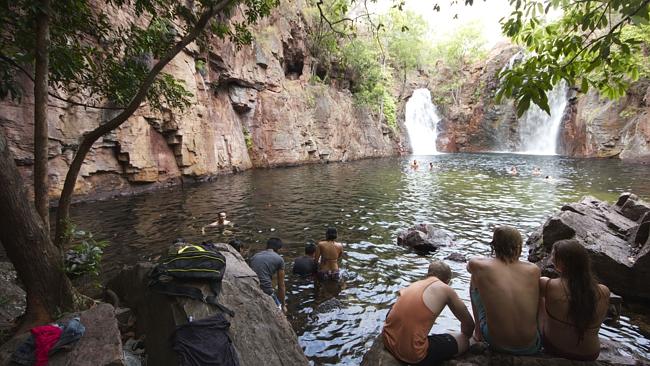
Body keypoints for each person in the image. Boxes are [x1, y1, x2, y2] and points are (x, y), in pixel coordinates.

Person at [467, 225, 542, 355]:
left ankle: (478, 333)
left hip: (497, 344)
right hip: (531, 345)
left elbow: (469, 267)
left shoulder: (479, 265)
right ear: (519, 246)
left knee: (475, 278)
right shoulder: (533, 270)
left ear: (494, 245)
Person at [383, 260, 475, 365]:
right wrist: (466, 338)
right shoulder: (446, 289)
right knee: (462, 340)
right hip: (412, 354)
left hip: (388, 340)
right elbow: (469, 325)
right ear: (448, 280)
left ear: (428, 274)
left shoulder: (412, 286)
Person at [538, 239, 610, 361]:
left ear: (561, 263)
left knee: (541, 300)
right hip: (590, 353)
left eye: (553, 256)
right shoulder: (603, 291)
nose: (551, 259)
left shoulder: (547, 284)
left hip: (555, 348)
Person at [249, 238, 286, 312]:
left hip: (251, 287)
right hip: (266, 290)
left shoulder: (255, 256)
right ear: (278, 249)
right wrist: (283, 305)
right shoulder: (279, 259)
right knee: (280, 310)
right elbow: (281, 285)